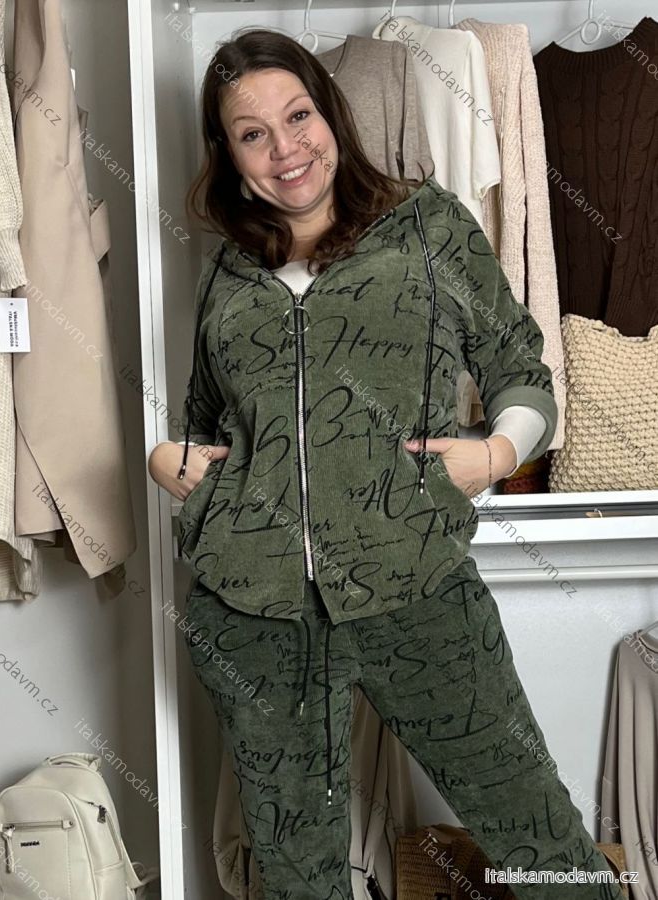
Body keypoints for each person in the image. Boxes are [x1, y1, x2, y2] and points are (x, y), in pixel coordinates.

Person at [147, 28, 624, 900]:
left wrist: (494, 453)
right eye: (252, 133)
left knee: (534, 830)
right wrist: (174, 466)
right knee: (296, 870)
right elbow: (208, 420)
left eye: (298, 115)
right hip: (256, 610)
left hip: (416, 584)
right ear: (228, 153)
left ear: (330, 113)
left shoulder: (425, 224)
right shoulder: (228, 272)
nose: (285, 148)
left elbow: (520, 366)